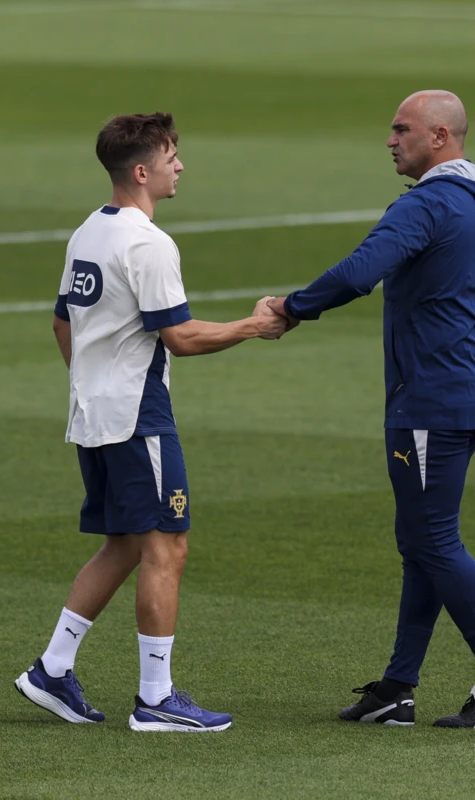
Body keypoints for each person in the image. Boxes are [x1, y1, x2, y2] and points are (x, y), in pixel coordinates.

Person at [264, 91, 475, 729]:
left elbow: (364, 268)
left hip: (430, 400)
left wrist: (292, 308)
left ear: (440, 137)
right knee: (421, 541)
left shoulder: (429, 204)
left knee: (432, 540)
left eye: (402, 130)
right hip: (472, 397)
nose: (390, 141)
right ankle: (398, 687)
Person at [15, 112, 288, 733]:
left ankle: (52, 669)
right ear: (142, 171)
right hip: (138, 417)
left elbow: (62, 323)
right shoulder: (148, 243)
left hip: (92, 412)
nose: (180, 166)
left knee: (126, 543)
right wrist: (254, 326)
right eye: (171, 156)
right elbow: (181, 337)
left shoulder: (90, 231)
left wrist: (91, 382)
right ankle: (156, 699)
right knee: (167, 544)